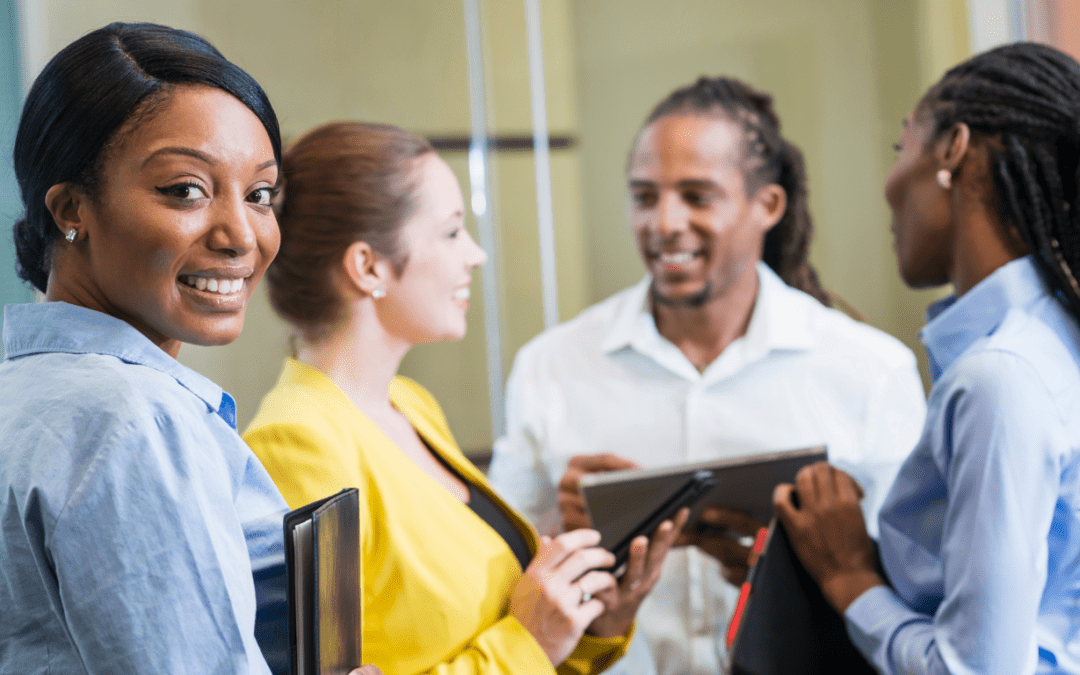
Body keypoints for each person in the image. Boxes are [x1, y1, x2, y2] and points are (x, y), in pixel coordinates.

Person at [485, 76, 927, 675]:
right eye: (644, 197)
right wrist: (556, 529)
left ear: (767, 206)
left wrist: (799, 566)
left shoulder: (867, 370)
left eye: (696, 196)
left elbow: (920, 583)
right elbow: (496, 578)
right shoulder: (553, 365)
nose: (664, 222)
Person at [0, 22, 380, 675]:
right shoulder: (129, 418)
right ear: (70, 208)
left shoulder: (26, 389)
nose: (241, 235)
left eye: (261, 194)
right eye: (186, 190)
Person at [242, 120, 684, 675]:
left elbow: (503, 637)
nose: (474, 255)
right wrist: (530, 641)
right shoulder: (298, 445)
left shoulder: (408, 404)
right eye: (451, 233)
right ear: (368, 266)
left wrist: (592, 622)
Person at [775, 42, 1080, 675]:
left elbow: (975, 670)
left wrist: (850, 578)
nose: (889, 184)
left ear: (952, 150)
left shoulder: (1001, 377)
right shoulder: (1052, 340)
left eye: (901, 148)